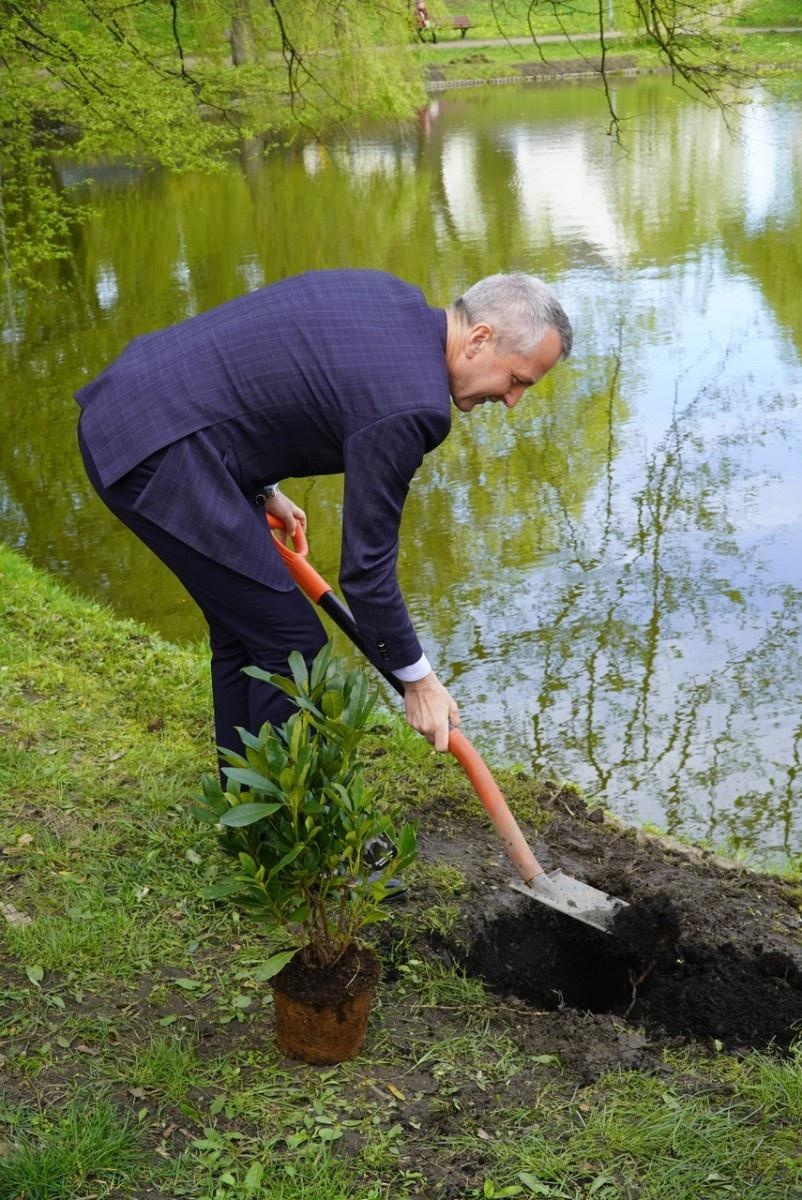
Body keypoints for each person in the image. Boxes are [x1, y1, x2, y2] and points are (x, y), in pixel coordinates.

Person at [76, 269, 571, 763]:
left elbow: (261, 372)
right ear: (479, 339)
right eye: (516, 380)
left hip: (131, 408)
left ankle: (245, 816)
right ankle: (280, 822)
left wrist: (260, 485)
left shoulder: (389, 295)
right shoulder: (414, 405)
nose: (512, 401)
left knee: (249, 630)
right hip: (154, 454)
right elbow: (366, 574)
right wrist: (418, 681)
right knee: (294, 647)